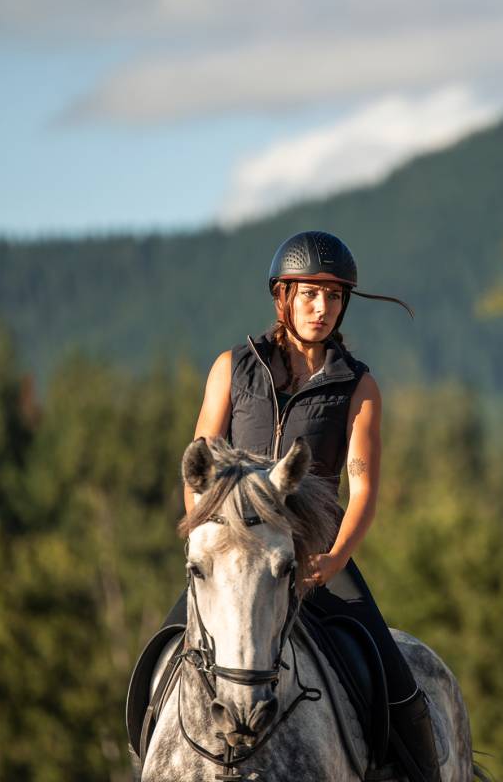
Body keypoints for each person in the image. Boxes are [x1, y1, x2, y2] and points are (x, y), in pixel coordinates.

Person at [170, 230, 439, 782]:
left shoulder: (359, 388)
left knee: (395, 681)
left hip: (315, 556)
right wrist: (205, 538)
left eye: (335, 296)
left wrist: (334, 560)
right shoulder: (231, 367)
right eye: (310, 294)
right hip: (232, 556)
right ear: (283, 297)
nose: (322, 307)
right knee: (157, 662)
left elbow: (362, 490)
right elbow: (198, 458)